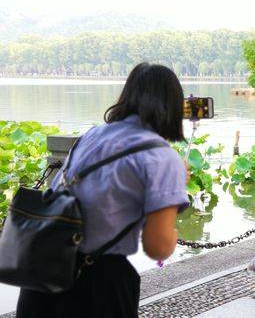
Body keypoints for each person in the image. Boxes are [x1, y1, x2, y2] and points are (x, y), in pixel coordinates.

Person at [16, 63, 190, 318]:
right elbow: (158, 247)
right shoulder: (162, 157)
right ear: (173, 106)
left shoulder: (92, 135)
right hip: (96, 284)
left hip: (43, 270)